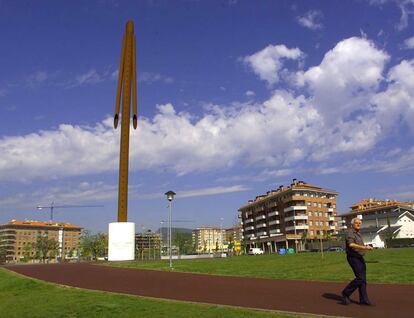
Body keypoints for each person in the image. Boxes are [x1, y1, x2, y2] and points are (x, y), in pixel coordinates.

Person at [341, 217, 373, 306]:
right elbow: (351, 244)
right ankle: (345, 293)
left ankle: (363, 299)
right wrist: (365, 248)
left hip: (359, 257)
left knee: (363, 280)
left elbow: (358, 245)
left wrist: (365, 246)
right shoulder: (349, 232)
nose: (359, 224)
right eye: (356, 223)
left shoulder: (358, 233)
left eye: (360, 223)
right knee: (360, 278)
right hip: (353, 257)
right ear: (352, 224)